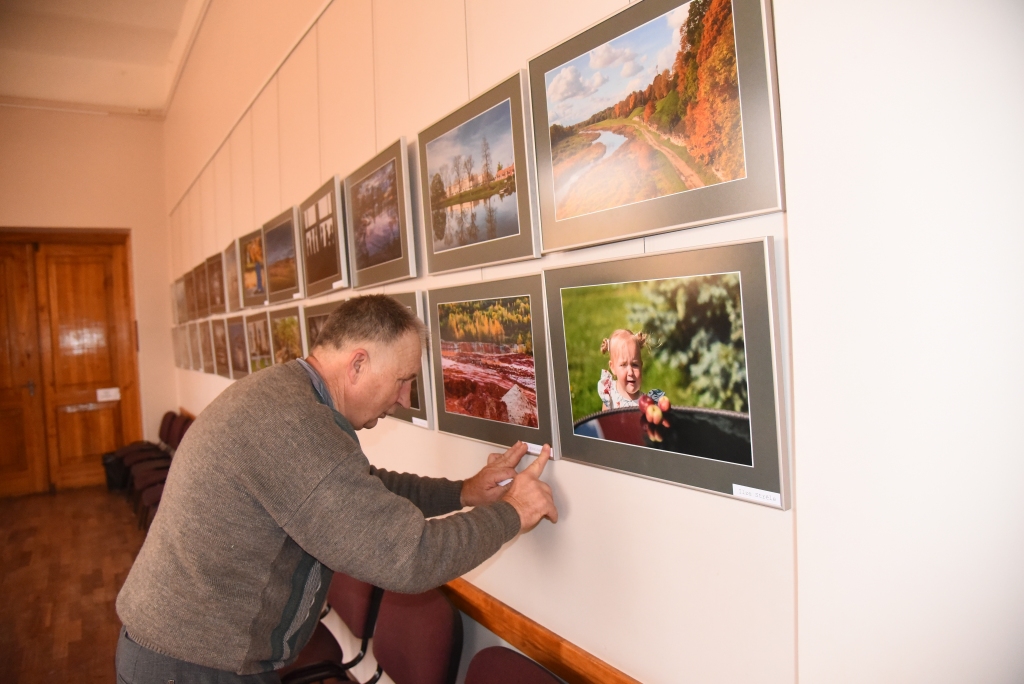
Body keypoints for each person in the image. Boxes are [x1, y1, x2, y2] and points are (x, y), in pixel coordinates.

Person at [115, 295, 557, 683]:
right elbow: (409, 556)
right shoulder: (294, 424)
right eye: (403, 379)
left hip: (192, 651)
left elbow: (361, 490)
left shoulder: (290, 396)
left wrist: (463, 492)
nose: (405, 398)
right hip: (193, 666)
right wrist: (513, 512)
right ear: (358, 364)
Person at [597, 328, 663, 410]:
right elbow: (604, 421)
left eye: (635, 365)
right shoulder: (610, 395)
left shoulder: (646, 403)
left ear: (641, 366)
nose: (630, 372)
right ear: (613, 367)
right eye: (623, 365)